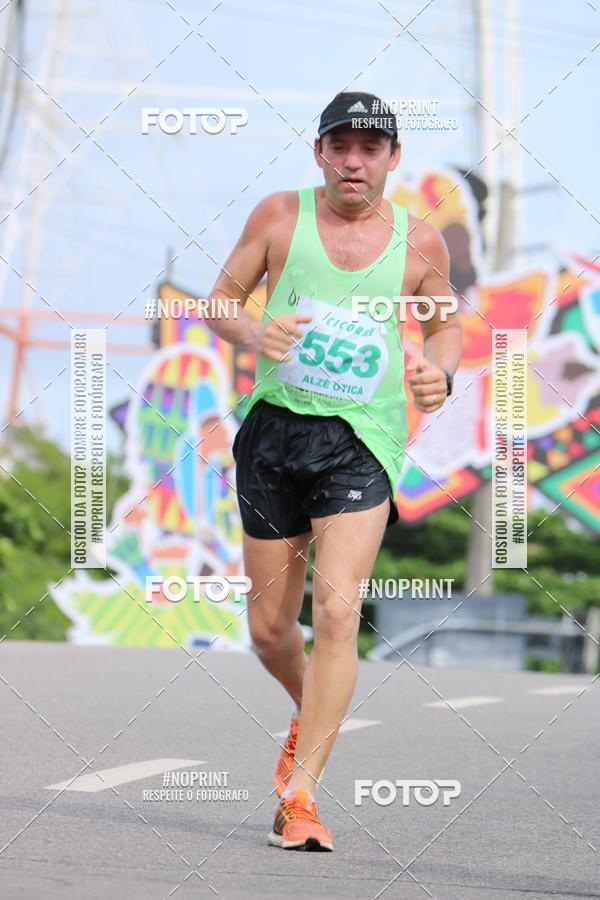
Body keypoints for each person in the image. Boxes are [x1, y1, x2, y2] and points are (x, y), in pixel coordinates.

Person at [204, 91, 463, 851]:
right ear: (320, 152)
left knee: (340, 610)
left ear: (392, 159)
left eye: (370, 148)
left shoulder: (421, 245)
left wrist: (439, 377)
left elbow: (445, 326)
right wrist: (257, 328)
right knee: (270, 628)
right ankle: (305, 709)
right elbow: (218, 303)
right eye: (341, 147)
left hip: (363, 438)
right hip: (276, 432)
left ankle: (302, 795)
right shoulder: (279, 216)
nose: (355, 161)